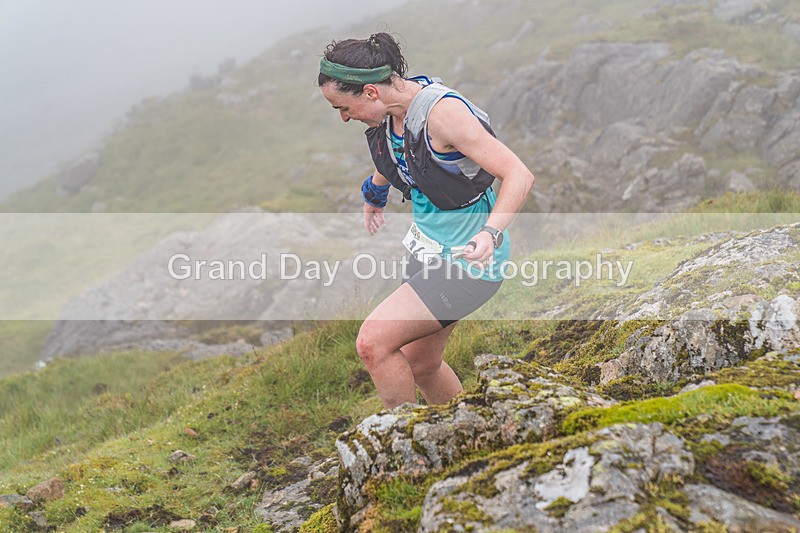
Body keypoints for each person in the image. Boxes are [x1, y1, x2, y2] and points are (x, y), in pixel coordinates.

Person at [318, 32, 534, 409]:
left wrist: (490, 235)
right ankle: (469, 436)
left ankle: (402, 452)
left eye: (343, 107)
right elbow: (401, 152)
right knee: (423, 364)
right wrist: (376, 189)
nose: (343, 118)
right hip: (427, 251)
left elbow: (518, 174)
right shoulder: (393, 106)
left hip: (469, 262)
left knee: (373, 343)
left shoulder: (444, 115)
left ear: (370, 92)